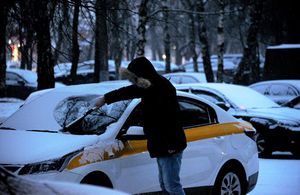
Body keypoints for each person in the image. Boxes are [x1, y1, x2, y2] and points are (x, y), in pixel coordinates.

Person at [95, 57, 187, 195]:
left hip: (170, 144)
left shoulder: (160, 87)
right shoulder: (150, 86)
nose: (134, 80)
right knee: (165, 184)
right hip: (162, 144)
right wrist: (105, 99)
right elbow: (128, 91)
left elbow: (172, 118)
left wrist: (171, 145)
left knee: (172, 186)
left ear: (142, 73)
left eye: (135, 76)